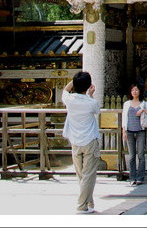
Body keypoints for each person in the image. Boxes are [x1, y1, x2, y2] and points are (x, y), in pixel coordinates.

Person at [62, 71, 101, 214]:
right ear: (89, 86)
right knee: (89, 174)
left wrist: (74, 81)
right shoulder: (92, 102)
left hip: (75, 141)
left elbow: (65, 90)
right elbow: (97, 111)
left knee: (81, 175)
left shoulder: (69, 100)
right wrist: (90, 94)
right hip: (90, 140)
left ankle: (89, 202)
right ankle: (82, 205)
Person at [121, 84, 147, 186]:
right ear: (130, 92)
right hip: (129, 131)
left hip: (140, 131)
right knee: (131, 156)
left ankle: (140, 177)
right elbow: (124, 118)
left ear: (140, 92)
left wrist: (143, 110)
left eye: (136, 90)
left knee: (141, 155)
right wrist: (124, 131)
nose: (135, 92)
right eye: (133, 90)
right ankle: (132, 177)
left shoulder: (144, 104)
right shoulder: (127, 104)